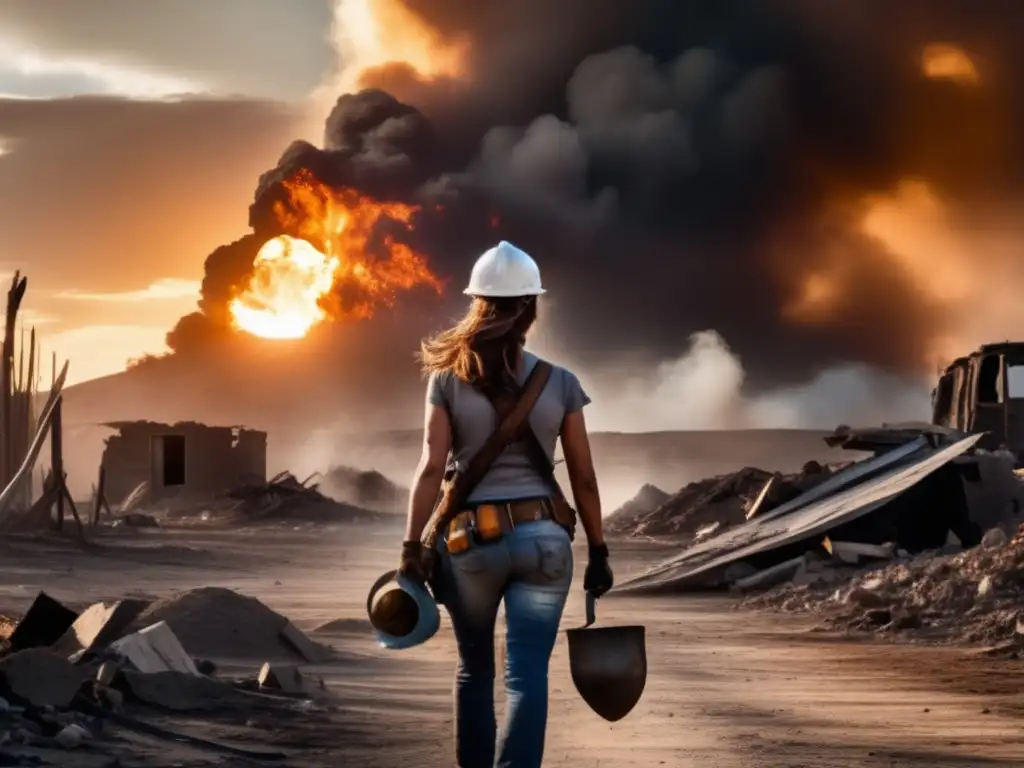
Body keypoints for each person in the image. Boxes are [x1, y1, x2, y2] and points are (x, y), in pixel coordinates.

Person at [397, 240, 614, 768]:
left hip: (469, 546)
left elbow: (431, 467)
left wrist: (409, 546)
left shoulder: (445, 379)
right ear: (531, 310)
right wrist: (600, 551)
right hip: (545, 545)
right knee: (527, 675)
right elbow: (583, 478)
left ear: (477, 304)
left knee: (475, 672)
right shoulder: (561, 382)